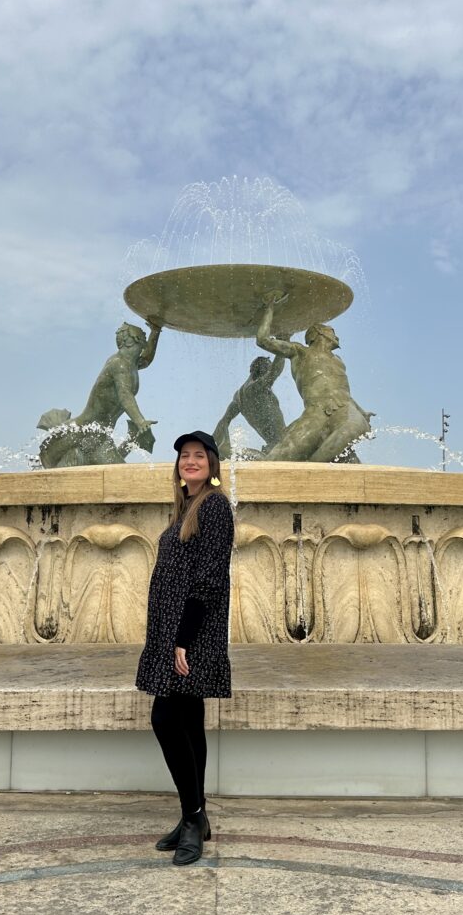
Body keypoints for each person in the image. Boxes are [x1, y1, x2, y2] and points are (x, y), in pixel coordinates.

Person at [135, 430, 234, 866]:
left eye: (198, 456)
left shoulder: (215, 507)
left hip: (191, 633)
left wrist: (183, 638)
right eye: (183, 457)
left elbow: (211, 577)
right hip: (174, 632)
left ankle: (193, 816)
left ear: (212, 465)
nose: (189, 462)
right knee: (189, 720)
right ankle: (196, 817)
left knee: (165, 717)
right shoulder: (187, 508)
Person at [256, 296, 373, 462]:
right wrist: (269, 309)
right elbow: (263, 340)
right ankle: (311, 468)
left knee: (353, 427)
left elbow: (342, 390)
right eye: (332, 332)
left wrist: (361, 411)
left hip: (344, 409)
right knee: (275, 460)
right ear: (319, 333)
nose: (337, 337)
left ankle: (315, 467)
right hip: (315, 414)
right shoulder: (299, 352)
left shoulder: (338, 361)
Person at [37, 320, 162, 466]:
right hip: (84, 432)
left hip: (100, 436)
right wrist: (139, 421)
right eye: (143, 335)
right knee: (118, 475)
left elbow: (147, 359)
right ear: (132, 340)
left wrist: (155, 332)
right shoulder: (119, 364)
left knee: (120, 477)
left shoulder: (131, 364)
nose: (145, 338)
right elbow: (125, 395)